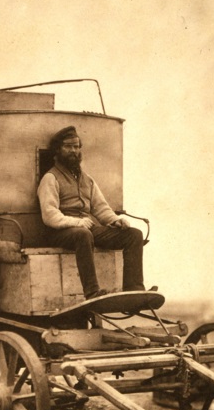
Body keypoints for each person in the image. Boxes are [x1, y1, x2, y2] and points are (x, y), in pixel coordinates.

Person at [37, 126, 152, 300]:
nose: (74, 151)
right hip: (58, 232)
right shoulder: (50, 178)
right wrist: (76, 222)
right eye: (68, 147)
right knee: (83, 234)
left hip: (85, 229)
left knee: (134, 235)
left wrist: (115, 220)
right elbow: (49, 214)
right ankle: (92, 293)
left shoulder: (87, 180)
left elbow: (100, 207)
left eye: (77, 147)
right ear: (58, 150)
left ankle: (134, 289)